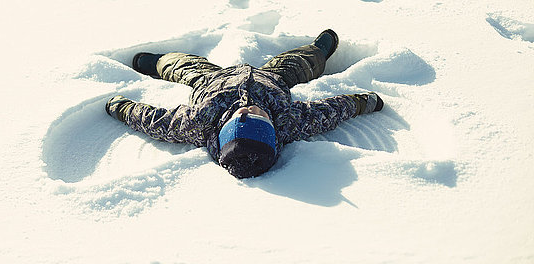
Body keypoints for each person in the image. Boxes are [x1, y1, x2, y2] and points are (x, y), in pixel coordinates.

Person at [106, 29, 383, 179]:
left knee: (183, 65)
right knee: (298, 63)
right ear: (272, 129)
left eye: (240, 117)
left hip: (211, 80)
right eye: (258, 117)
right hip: (273, 80)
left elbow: (154, 121)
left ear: (225, 126)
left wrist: (121, 108)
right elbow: (330, 111)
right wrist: (363, 102)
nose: (247, 109)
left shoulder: (199, 122)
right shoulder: (288, 122)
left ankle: (157, 62)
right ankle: (318, 51)